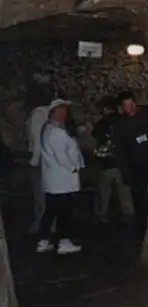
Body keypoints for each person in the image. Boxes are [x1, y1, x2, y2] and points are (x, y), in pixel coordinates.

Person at [37, 99, 84, 254]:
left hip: (55, 180)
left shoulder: (50, 129)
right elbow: (61, 156)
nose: (63, 114)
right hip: (63, 180)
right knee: (65, 211)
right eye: (59, 111)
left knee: (52, 210)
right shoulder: (56, 132)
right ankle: (64, 241)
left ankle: (44, 240)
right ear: (52, 113)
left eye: (65, 111)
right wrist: (73, 167)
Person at [113, 91, 148, 243]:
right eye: (125, 105)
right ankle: (142, 231)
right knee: (140, 201)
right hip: (135, 168)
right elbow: (120, 151)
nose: (129, 108)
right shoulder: (121, 125)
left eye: (131, 104)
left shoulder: (147, 116)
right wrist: (125, 173)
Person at [92, 95, 134, 223]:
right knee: (124, 194)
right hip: (122, 163)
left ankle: (102, 215)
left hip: (107, 163)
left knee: (104, 193)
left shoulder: (102, 123)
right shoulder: (123, 121)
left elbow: (95, 138)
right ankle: (128, 217)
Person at [25, 95, 51, 235]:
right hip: (47, 158)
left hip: (39, 158)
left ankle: (40, 224)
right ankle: (48, 224)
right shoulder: (48, 113)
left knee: (40, 193)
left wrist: (34, 160)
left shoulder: (38, 114)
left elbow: (37, 140)